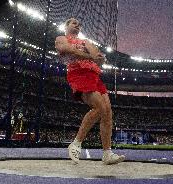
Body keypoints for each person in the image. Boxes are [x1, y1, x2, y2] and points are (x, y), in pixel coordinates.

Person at [55, 18, 125, 165]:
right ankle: (76, 143)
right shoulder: (61, 38)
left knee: (107, 111)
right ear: (66, 26)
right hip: (78, 73)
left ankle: (107, 153)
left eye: (79, 24)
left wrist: (96, 58)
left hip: (94, 75)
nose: (77, 25)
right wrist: (91, 56)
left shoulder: (85, 41)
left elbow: (97, 57)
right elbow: (67, 49)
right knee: (99, 107)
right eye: (74, 23)